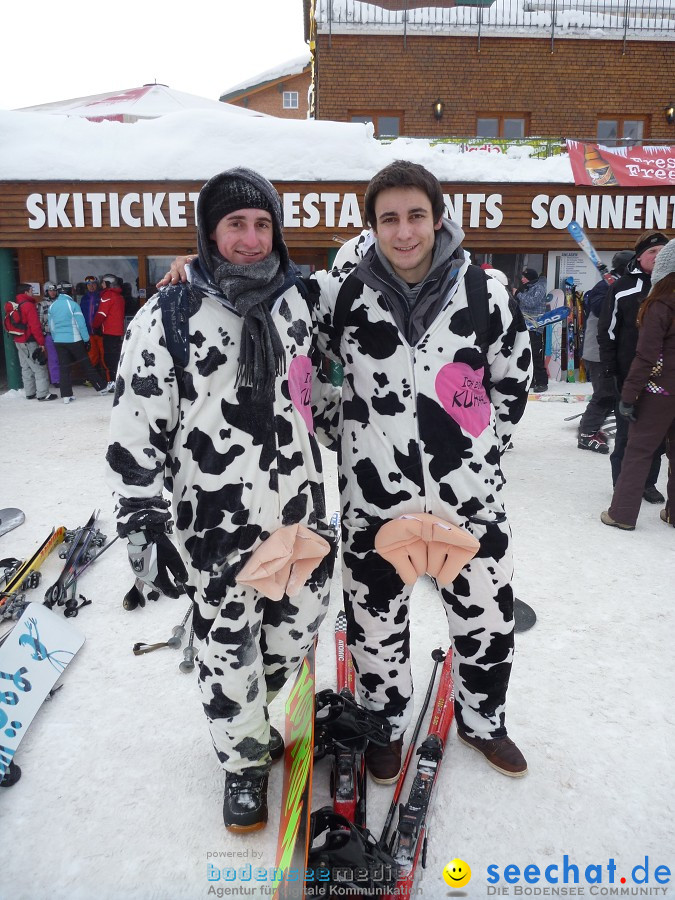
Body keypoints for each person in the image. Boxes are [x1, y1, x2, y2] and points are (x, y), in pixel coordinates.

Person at [164, 161, 533, 780]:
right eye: (389, 218)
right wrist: (193, 269)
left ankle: (483, 721)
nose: (404, 231)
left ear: (437, 217)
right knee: (374, 631)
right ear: (373, 225)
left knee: (487, 622)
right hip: (374, 499)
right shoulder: (340, 289)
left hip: (469, 500)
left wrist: (480, 451)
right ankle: (384, 726)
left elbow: (514, 380)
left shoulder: (484, 291)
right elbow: (317, 366)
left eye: (416, 215)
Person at [106, 167, 337, 833]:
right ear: (210, 233)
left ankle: (253, 713)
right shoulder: (169, 314)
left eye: (262, 223)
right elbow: (134, 425)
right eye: (235, 224)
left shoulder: (297, 302)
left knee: (294, 630)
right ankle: (241, 762)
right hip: (215, 524)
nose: (250, 237)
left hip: (297, 512)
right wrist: (141, 513)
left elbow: (312, 393)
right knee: (227, 641)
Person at [601, 239, 675, 530]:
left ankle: (622, 513)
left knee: (639, 450)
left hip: (659, 390)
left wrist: (628, 396)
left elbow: (646, 356)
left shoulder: (659, 303)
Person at [576, 250, 633, 454]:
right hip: (598, 352)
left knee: (611, 394)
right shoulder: (604, 286)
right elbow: (600, 308)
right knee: (605, 394)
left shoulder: (620, 284)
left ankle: (591, 427)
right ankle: (586, 433)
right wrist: (613, 290)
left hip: (611, 351)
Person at [48, 282, 108, 403]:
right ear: (70, 291)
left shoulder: (52, 306)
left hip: (59, 341)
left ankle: (66, 395)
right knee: (86, 365)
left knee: (64, 368)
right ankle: (101, 388)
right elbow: (81, 325)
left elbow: (51, 326)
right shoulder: (73, 305)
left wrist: (55, 338)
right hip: (74, 339)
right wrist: (86, 340)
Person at [3, 283, 57, 402]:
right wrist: (41, 343)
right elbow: (35, 326)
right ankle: (43, 394)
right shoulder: (28, 305)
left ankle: (30, 392)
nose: (33, 292)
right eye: (31, 290)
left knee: (26, 367)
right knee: (39, 367)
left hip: (18, 340)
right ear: (26, 292)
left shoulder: (17, 305)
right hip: (29, 340)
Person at [515, 267, 549, 392]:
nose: (522, 279)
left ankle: (542, 382)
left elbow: (532, 302)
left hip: (535, 327)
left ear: (530, 278)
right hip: (525, 327)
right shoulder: (527, 288)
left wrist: (518, 294)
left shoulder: (539, 288)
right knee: (525, 355)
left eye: (525, 277)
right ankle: (532, 380)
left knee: (535, 355)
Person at [93, 274, 125, 392]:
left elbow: (101, 314)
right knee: (116, 357)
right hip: (118, 332)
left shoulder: (108, 295)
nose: (101, 285)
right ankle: (118, 380)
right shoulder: (119, 296)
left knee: (109, 358)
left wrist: (95, 326)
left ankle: (112, 382)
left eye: (102, 283)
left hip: (109, 332)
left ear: (107, 283)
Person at [80, 275, 109, 383]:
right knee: (92, 356)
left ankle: (108, 379)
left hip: (100, 332)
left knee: (103, 356)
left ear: (97, 285)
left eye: (93, 284)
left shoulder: (101, 296)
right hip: (88, 333)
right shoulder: (84, 299)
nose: (91, 286)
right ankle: (92, 379)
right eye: (88, 285)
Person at [38, 281, 61, 387]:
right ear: (46, 291)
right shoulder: (42, 304)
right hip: (50, 334)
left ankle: (64, 377)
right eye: (50, 290)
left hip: (62, 334)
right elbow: (39, 321)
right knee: (53, 358)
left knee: (63, 356)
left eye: (54, 290)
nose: (52, 293)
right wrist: (43, 334)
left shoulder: (60, 302)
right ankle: (56, 380)